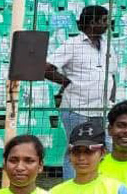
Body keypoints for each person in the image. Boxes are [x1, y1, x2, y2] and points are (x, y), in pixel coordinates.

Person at [46, 5, 119, 179]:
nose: (108, 24)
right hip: (76, 108)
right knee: (76, 148)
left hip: (102, 108)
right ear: (93, 22)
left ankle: (100, 185)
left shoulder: (107, 45)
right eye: (104, 20)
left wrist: (111, 100)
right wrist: (66, 82)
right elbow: (46, 68)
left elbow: (112, 74)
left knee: (105, 148)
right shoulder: (72, 44)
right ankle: (71, 186)